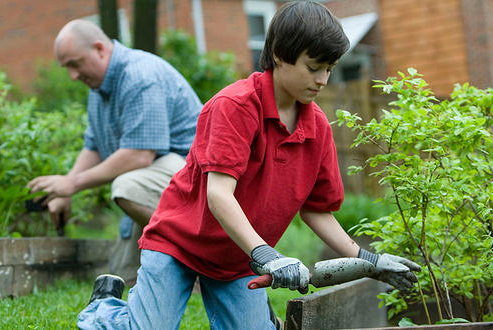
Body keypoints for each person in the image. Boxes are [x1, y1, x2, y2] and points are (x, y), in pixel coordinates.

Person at [77, 2, 422, 329]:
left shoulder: (316, 128)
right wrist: (268, 255)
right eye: (313, 67)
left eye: (329, 69)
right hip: (180, 244)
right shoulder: (234, 106)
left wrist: (370, 261)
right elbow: (219, 195)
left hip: (237, 260)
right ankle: (105, 309)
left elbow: (317, 211)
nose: (323, 80)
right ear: (278, 55)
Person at [27, 19, 202, 285]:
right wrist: (63, 190)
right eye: (67, 68)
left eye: (75, 64)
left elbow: (139, 155)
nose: (72, 76)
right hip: (158, 183)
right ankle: (174, 266)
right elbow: (94, 145)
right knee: (121, 276)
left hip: (197, 181)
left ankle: (200, 259)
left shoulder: (139, 75)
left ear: (99, 49)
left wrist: (72, 184)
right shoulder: (99, 88)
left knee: (128, 186)